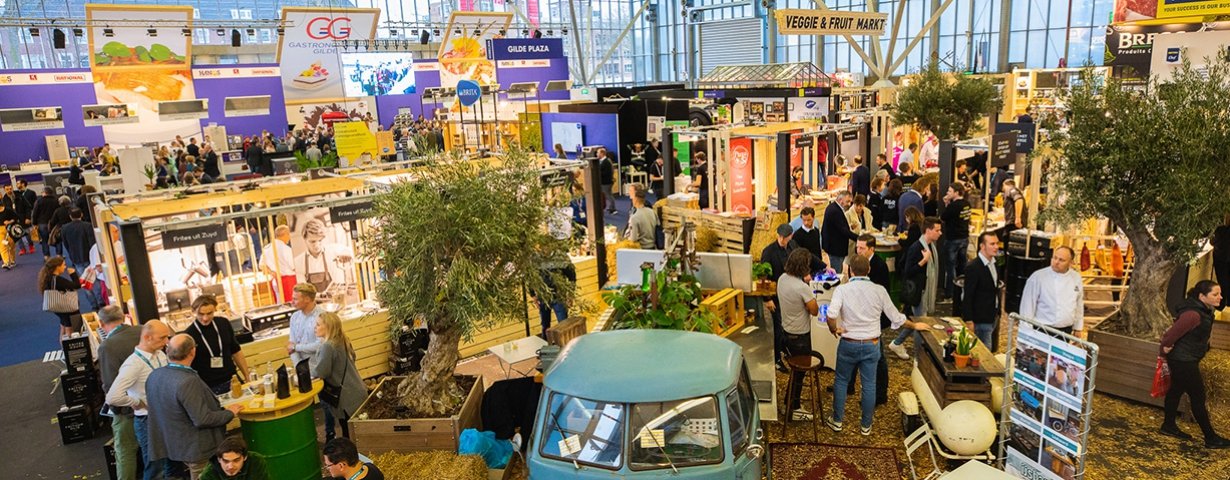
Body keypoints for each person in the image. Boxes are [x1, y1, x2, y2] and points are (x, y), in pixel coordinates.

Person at [826, 255, 930, 435]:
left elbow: (831, 315)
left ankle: (837, 420)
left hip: (849, 343)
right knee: (869, 384)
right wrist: (914, 326)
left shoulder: (842, 290)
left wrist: (834, 329)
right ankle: (866, 425)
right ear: (869, 270)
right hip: (871, 344)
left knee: (841, 381)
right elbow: (896, 317)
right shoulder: (879, 290)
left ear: (850, 271)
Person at [147, 334, 244, 480]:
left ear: (168, 351)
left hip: (173, 444)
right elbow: (202, 419)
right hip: (197, 448)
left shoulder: (155, 375)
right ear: (192, 351)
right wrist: (229, 412)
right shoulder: (187, 381)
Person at [1159, 280, 1230, 448]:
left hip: (1186, 358)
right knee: (1198, 397)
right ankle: (1211, 438)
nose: (1220, 297)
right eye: (1215, 294)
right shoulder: (1193, 315)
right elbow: (1171, 334)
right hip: (1183, 360)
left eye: (1220, 294)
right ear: (1202, 296)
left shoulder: (1203, 310)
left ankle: (1168, 426)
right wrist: (1164, 348)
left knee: (1175, 390)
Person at [106, 320, 172, 480]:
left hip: (165, 416)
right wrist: (136, 402)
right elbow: (112, 396)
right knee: (155, 468)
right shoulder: (133, 364)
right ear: (147, 337)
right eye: (162, 338)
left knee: (169, 464)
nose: (166, 342)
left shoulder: (160, 355)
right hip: (147, 421)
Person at [842, 235, 893, 405]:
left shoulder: (879, 266)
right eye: (857, 247)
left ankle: (880, 394)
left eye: (862, 248)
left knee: (878, 358)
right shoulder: (857, 263)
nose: (858, 250)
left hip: (873, 319)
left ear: (872, 249)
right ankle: (849, 385)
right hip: (860, 316)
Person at [887, 217, 943, 360]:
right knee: (920, 324)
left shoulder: (931, 246)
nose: (940, 233)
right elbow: (907, 272)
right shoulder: (916, 248)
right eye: (937, 230)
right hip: (918, 292)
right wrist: (923, 261)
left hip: (922, 291)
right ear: (928, 230)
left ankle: (897, 343)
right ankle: (919, 357)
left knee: (917, 322)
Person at [97, 305, 141, 480]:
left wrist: (115, 409)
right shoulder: (142, 331)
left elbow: (110, 383)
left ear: (101, 323)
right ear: (123, 317)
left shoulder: (107, 346)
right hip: (151, 402)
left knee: (125, 450)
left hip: (126, 409)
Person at [777, 248, 820, 421]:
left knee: (794, 372)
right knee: (800, 374)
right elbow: (815, 311)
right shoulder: (802, 288)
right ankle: (794, 408)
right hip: (800, 336)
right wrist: (809, 289)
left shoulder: (782, 279)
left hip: (786, 332)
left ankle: (787, 404)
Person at [313, 312, 367, 440]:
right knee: (360, 433)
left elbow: (321, 372)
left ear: (328, 327)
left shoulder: (328, 346)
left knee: (349, 434)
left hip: (346, 398)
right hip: (357, 390)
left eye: (318, 324)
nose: (315, 327)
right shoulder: (343, 340)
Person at [183, 295, 250, 395]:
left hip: (232, 379)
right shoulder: (189, 334)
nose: (205, 318)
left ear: (215, 309)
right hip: (208, 386)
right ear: (193, 312)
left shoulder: (223, 323)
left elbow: (236, 351)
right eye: (201, 314)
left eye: (209, 313)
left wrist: (247, 376)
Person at [1019, 246, 1084, 335]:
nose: (1056, 262)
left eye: (1061, 260)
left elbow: (1078, 304)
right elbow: (1027, 306)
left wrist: (1078, 328)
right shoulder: (1038, 277)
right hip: (1042, 329)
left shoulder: (1076, 277)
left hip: (1066, 330)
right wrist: (1026, 332)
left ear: (1071, 262)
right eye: (1055, 258)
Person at [961, 232, 1002, 348]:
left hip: (992, 316)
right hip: (979, 320)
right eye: (992, 244)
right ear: (982, 246)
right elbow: (968, 296)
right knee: (982, 352)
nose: (996, 247)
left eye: (997, 243)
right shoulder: (973, 267)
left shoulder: (994, 263)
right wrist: (969, 320)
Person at [941, 183, 971, 300]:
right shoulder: (967, 204)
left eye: (950, 191)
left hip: (953, 239)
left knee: (951, 267)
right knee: (962, 266)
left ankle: (950, 293)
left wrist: (946, 204)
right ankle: (961, 290)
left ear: (957, 193)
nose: (947, 193)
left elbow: (943, 217)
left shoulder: (954, 206)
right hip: (964, 238)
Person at [39, 256, 81, 338]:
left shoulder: (47, 278)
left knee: (63, 327)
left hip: (57, 306)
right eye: (63, 265)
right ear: (57, 267)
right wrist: (73, 274)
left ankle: (64, 344)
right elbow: (76, 285)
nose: (65, 267)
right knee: (69, 329)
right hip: (66, 307)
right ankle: (69, 344)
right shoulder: (58, 280)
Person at [821, 192, 859, 271]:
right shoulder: (835, 211)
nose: (849, 204)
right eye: (847, 201)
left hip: (834, 246)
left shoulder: (833, 207)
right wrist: (858, 238)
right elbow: (843, 230)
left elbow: (838, 226)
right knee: (837, 271)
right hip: (835, 248)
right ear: (840, 200)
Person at [199, 437, 269, 480]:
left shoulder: (256, 461)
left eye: (236, 460)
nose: (230, 466)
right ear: (219, 459)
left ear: (245, 457)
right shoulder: (208, 475)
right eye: (226, 461)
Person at [258, 225, 296, 303]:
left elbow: (261, 265)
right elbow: (293, 266)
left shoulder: (267, 248)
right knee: (291, 304)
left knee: (280, 304)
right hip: (289, 281)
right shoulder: (286, 249)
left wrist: (271, 272)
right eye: (289, 234)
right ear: (285, 234)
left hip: (275, 281)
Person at [60, 208, 95, 274]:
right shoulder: (88, 226)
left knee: (82, 275)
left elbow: (65, 243)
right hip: (88, 255)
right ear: (81, 214)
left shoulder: (64, 228)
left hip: (75, 255)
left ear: (70, 216)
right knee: (92, 274)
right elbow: (92, 242)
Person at [31, 187, 59, 259]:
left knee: (44, 240)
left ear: (44, 193)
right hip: (54, 223)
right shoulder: (56, 200)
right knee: (57, 239)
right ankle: (59, 254)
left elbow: (35, 213)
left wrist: (34, 223)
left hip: (42, 223)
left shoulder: (39, 201)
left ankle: (47, 256)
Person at [1214, 215, 1230, 309]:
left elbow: (1213, 241)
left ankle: (1221, 304)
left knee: (1222, 282)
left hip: (1222, 259)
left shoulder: (1221, 230)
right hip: (1223, 258)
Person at [597, 148, 616, 214]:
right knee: (609, 195)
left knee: (608, 195)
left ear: (602, 153)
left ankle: (613, 209)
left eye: (598, 153)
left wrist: (598, 173)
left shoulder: (606, 162)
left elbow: (606, 173)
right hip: (606, 182)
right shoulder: (604, 161)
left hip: (606, 182)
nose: (597, 154)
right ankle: (611, 207)